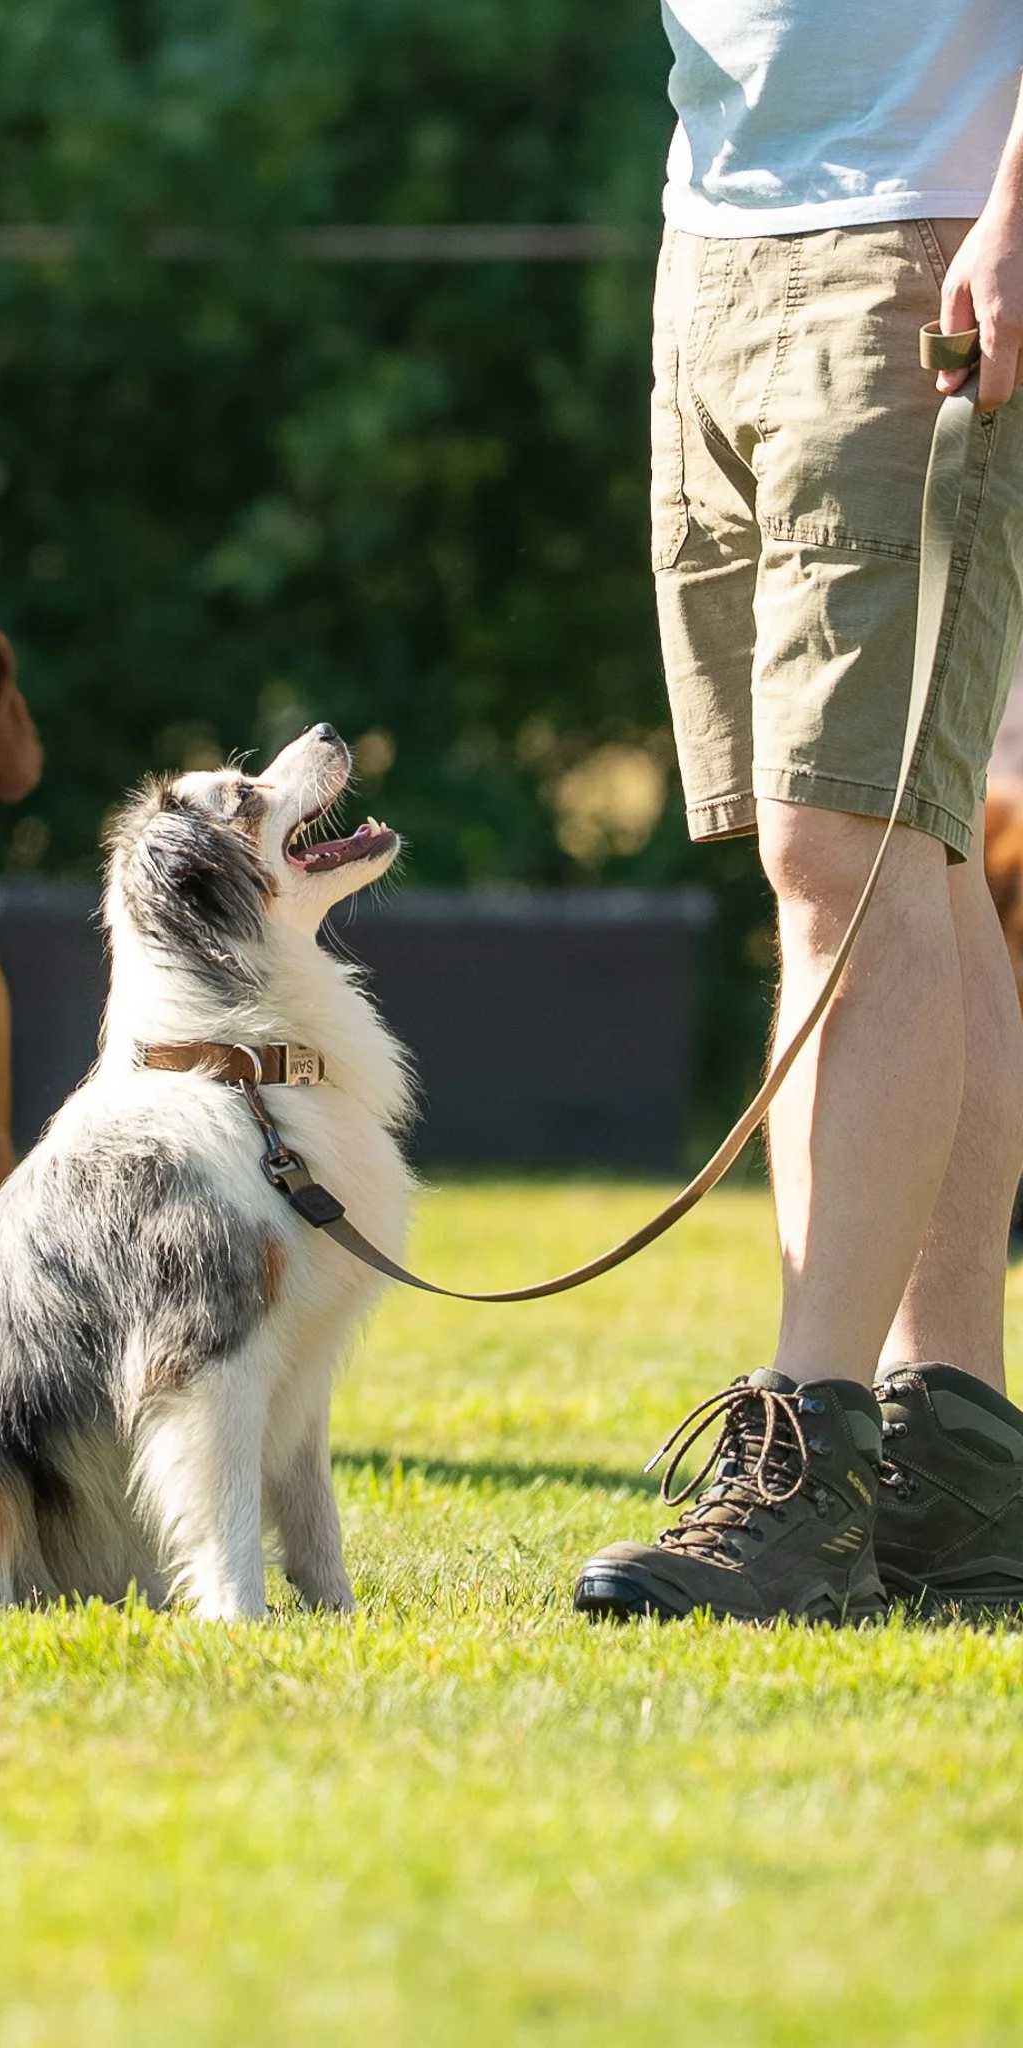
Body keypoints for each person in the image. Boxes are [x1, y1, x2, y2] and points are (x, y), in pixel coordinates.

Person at [575, 5, 1023, 1621]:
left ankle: (807, 1459)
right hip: (713, 234)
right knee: (898, 843)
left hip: (925, 234)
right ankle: (952, 1463)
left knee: (835, 838)